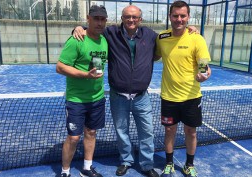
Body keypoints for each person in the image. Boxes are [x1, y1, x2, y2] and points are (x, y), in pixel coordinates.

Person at [73, 5, 198, 177]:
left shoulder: (151, 36)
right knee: (122, 132)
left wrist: (190, 29)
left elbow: (173, 34)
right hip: (118, 96)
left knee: (147, 133)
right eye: (127, 17)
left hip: (141, 97)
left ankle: (147, 165)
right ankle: (126, 161)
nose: (131, 20)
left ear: (140, 19)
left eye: (134, 17)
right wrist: (79, 28)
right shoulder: (111, 34)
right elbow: (94, 29)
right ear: (122, 18)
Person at [155, 1, 212, 177]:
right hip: (169, 96)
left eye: (183, 16)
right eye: (175, 15)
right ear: (170, 17)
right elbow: (155, 55)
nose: (179, 19)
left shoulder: (197, 38)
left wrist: (204, 73)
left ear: (188, 17)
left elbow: (203, 65)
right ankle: (169, 163)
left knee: (191, 132)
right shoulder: (162, 38)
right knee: (169, 131)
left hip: (191, 97)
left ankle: (189, 164)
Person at [56, 5, 108, 177]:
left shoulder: (104, 40)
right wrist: (85, 74)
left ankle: (87, 168)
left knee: (91, 132)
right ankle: (65, 171)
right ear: (88, 18)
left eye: (102, 19)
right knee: (73, 137)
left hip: (97, 98)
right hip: (76, 99)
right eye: (96, 18)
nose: (99, 22)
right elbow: (60, 67)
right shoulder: (77, 39)